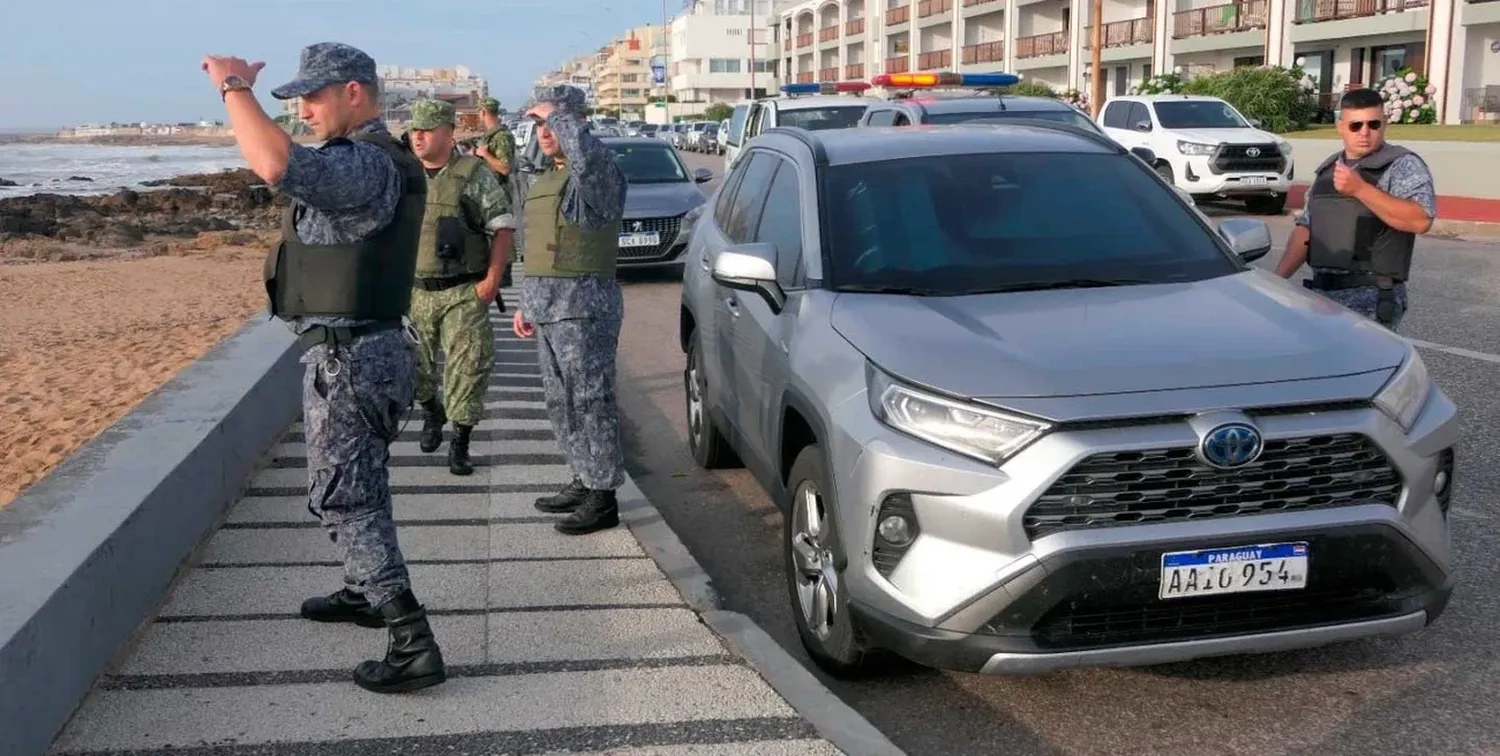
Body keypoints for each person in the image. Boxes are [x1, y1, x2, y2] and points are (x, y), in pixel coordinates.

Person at [202, 42, 446, 694]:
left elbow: (274, 162)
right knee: (362, 485)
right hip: (367, 351)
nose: (302, 108)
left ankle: (411, 640)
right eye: (297, 98)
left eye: (314, 95)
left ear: (356, 92)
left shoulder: (363, 165)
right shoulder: (373, 158)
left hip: (351, 362)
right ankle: (363, 591)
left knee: (345, 499)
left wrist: (232, 87)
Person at [512, 85, 629, 536]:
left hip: (583, 308)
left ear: (578, 122)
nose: (544, 131)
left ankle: (604, 497)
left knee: (591, 400)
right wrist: (527, 301)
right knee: (560, 402)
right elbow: (538, 247)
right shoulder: (548, 177)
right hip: (547, 307)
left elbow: (588, 159)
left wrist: (560, 118)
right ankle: (583, 477)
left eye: (553, 122)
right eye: (539, 123)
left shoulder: (598, 173)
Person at [403, 99, 515, 475]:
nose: (418, 136)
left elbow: (502, 227)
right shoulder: (403, 175)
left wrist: (491, 282)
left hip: (463, 291)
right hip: (415, 291)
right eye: (414, 129)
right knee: (415, 369)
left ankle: (461, 442)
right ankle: (431, 410)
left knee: (469, 367)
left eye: (427, 129)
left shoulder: (473, 173)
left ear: (449, 133)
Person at [1275, 87, 1437, 331]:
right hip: (1323, 297)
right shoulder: (1329, 169)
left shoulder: (1402, 165)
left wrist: (1360, 189)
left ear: (1384, 123)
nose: (1365, 132)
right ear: (1340, 126)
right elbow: (1307, 229)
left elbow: (1420, 220)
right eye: (1356, 125)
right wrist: (1277, 280)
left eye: (1373, 124)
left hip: (1371, 297)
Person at [474, 96, 519, 297]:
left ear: (484, 112)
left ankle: (501, 276)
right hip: (487, 196)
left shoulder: (501, 137)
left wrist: (485, 155)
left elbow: (505, 167)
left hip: (498, 197)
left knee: (500, 237)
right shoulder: (490, 135)